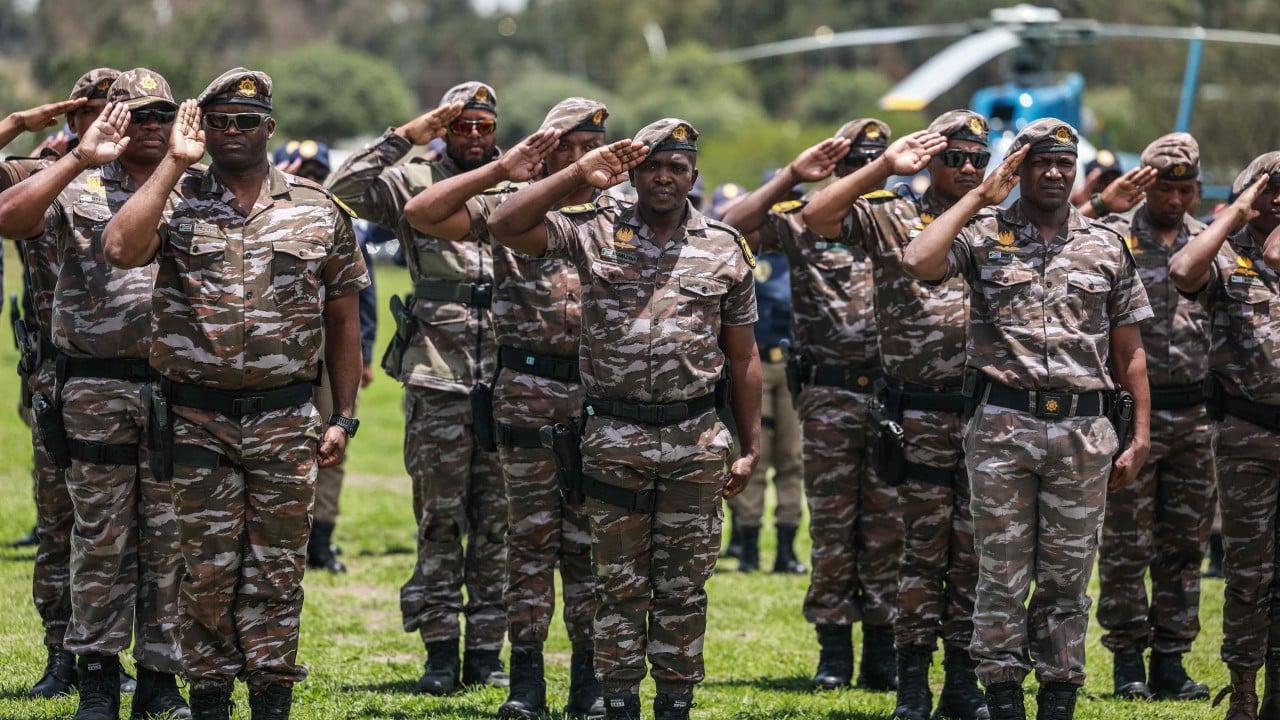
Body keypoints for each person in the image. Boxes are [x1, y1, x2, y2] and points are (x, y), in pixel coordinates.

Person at [101, 67, 369, 720]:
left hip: (284, 420)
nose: (232, 132)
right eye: (218, 121)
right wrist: (173, 162)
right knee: (205, 577)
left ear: (269, 128)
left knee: (277, 577)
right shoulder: (176, 197)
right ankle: (212, 702)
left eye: (246, 121)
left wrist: (345, 419)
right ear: (203, 128)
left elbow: (343, 317)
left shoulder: (316, 209)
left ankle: (271, 700)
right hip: (197, 423)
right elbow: (118, 246)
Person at [487, 119, 761, 720]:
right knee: (616, 586)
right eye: (653, 166)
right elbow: (505, 224)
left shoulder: (723, 245)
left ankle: (674, 704)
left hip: (695, 438)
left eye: (677, 167)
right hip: (614, 438)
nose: (664, 177)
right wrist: (577, 175)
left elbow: (742, 356)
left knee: (683, 588)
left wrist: (749, 446)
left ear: (695, 175)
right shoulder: (595, 231)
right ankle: (616, 703)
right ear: (634, 174)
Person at [902, 118, 1152, 720]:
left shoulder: (1106, 243)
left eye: (1063, 163)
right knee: (1002, 574)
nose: (1054, 173)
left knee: (1068, 579)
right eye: (1039, 162)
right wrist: (977, 198)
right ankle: (1003, 697)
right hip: (1002, 430)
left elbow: (1130, 350)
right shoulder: (984, 233)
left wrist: (1141, 434)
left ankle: (1059, 697)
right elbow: (918, 260)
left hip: (1083, 432)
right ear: (1018, 169)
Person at [403, 96, 611, 720]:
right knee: (527, 546)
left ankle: (588, 682)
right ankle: (524, 680)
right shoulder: (512, 205)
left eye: (587, 146)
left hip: (598, 399)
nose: (579, 159)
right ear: (546, 148)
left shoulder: (623, 213)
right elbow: (421, 213)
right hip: (524, 396)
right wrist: (503, 170)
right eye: (564, 147)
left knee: (591, 548)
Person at [0, 68, 190, 720]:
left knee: (169, 544)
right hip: (95, 388)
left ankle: (162, 678)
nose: (150, 126)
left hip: (177, 393)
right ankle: (98, 676)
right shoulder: (76, 187)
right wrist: (78, 154)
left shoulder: (194, 189)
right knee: (99, 541)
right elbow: (9, 219)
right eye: (135, 115)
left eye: (160, 114)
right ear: (113, 120)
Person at [803, 110, 994, 719]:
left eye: (977, 158)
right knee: (915, 553)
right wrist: (886, 164)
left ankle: (962, 683)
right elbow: (817, 218)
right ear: (931, 159)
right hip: (915, 413)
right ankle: (911, 683)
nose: (967, 168)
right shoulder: (892, 212)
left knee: (975, 555)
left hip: (989, 414)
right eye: (955, 156)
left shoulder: (1000, 220)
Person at [328, 82, 512, 694]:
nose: (475, 138)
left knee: (499, 524)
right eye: (462, 128)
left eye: (484, 127)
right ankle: (439, 649)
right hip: (439, 373)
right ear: (446, 130)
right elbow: (344, 192)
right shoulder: (414, 180)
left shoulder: (519, 179)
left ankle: (487, 651)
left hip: (513, 378)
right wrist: (409, 134)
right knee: (439, 520)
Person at [724, 119, 902, 693]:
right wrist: (791, 176)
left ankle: (881, 649)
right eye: (854, 159)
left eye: (874, 158)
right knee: (831, 528)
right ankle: (832, 651)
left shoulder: (905, 216)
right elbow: (729, 230)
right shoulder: (804, 218)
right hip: (827, 393)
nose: (861, 168)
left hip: (893, 393)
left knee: (886, 528)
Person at [0, 68, 114, 700]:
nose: (98, 121)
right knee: (61, 526)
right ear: (69, 119)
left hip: (142, 379)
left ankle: (124, 658)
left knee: (141, 533)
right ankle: (61, 655)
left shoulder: (157, 177)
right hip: (59, 379)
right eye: (86, 111)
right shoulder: (38, 174)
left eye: (111, 110)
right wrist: (17, 125)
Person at [1091, 133, 1213, 702]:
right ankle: (1127, 662)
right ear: (1146, 185)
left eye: (1185, 189)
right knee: (1124, 542)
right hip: (1129, 415)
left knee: (1183, 543)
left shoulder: (1211, 243)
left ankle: (1171, 659)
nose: (1175, 199)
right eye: (1165, 187)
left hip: (1195, 415)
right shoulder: (1114, 237)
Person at [1169, 152, 1280, 720]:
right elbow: (1183, 272)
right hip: (1248, 436)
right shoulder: (1226, 258)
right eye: (1270, 189)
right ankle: (1242, 689)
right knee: (1248, 572)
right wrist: (1234, 216)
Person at [272, 139, 377, 574]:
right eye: (302, 168)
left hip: (329, 357)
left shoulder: (337, 220)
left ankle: (322, 542)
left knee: (332, 443)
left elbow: (358, 304)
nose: (310, 175)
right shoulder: (264, 215)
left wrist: (363, 357)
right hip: (278, 359)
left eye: (318, 168)